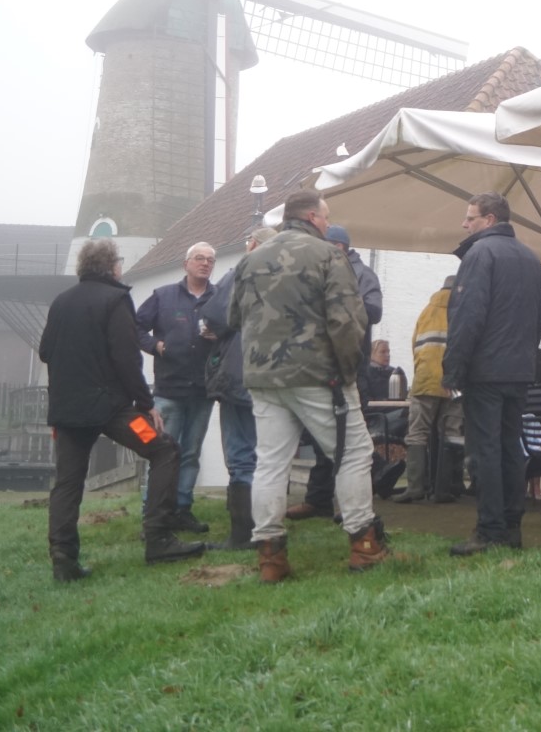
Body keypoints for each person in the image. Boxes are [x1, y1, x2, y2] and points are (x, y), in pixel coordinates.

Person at [227, 190, 389, 582]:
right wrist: (349, 373)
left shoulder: (251, 258)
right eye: (326, 217)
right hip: (320, 375)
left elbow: (233, 316)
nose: (326, 223)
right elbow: (348, 321)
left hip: (263, 378)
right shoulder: (328, 255)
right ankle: (365, 546)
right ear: (314, 217)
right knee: (353, 453)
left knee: (269, 462)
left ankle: (270, 558)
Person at [40, 238, 204, 580]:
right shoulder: (116, 300)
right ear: (112, 268)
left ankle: (63, 557)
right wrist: (146, 405)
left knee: (68, 481)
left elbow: (45, 352)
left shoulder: (61, 301)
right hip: (112, 410)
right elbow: (127, 358)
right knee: (166, 450)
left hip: (68, 412)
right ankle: (158, 539)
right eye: (119, 264)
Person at [443, 191, 541, 556]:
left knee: (484, 451)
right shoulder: (531, 259)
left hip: (485, 371)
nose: (464, 224)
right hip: (519, 370)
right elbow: (539, 319)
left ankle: (489, 530)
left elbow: (466, 317)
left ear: (489, 220)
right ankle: (512, 528)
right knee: (510, 449)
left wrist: (452, 371)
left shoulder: (479, 254)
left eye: (470, 218)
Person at [289, 224, 385, 522]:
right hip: (321, 365)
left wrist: (337, 304)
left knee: (351, 440)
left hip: (351, 368)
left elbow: (374, 311)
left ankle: (354, 505)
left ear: (340, 246)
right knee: (322, 436)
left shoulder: (362, 275)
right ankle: (319, 500)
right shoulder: (320, 270)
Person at [133, 241, 218, 534]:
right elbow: (136, 327)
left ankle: (182, 509)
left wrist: (219, 336)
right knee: (162, 453)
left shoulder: (220, 298)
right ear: (186, 264)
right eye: (199, 258)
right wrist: (155, 345)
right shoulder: (163, 296)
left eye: (210, 260)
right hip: (169, 390)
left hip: (204, 390)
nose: (205, 263)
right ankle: (153, 513)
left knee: (191, 452)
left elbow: (235, 331)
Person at [201, 225, 276, 550]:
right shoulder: (284, 275)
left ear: (252, 245)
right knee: (269, 454)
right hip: (275, 374)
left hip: (239, 371)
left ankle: (242, 534)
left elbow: (216, 315)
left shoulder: (242, 272)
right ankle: (268, 526)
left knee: (241, 453)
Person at [394, 276, 464, 505]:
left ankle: (415, 487)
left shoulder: (426, 311)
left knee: (417, 433)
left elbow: (415, 344)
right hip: (453, 382)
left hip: (425, 380)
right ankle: (445, 489)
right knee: (451, 433)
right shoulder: (462, 311)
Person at [359, 339, 409, 498]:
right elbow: (365, 404)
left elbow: (403, 398)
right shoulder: (365, 373)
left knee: (420, 416)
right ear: (371, 354)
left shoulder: (396, 373)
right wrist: (393, 405)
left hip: (397, 415)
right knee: (413, 415)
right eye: (382, 352)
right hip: (377, 419)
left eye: (388, 352)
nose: (387, 355)